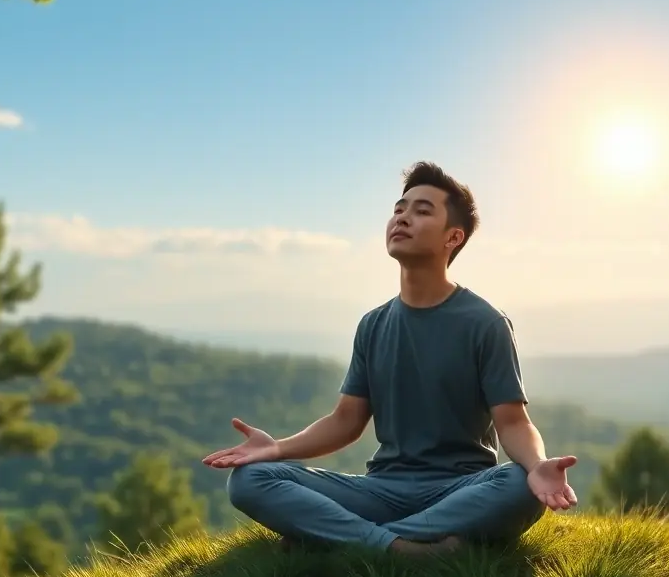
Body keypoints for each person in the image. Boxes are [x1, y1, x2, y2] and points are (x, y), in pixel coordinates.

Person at [203, 161, 578, 555]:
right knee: (250, 479)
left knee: (520, 486)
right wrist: (276, 448)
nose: (402, 218)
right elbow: (345, 421)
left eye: (422, 210)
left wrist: (537, 467)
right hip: (380, 490)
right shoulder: (374, 325)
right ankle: (408, 548)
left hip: (460, 489)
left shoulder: (486, 323)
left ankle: (350, 540)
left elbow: (514, 423)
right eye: (399, 209)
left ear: (454, 237)